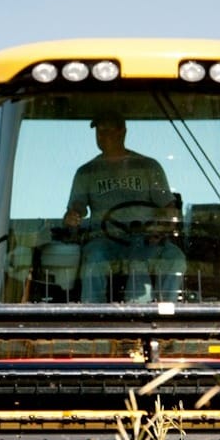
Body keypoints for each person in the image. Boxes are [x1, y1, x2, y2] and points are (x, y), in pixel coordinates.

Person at [63, 113, 186, 302]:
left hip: (145, 239)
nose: (102, 136)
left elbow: (169, 209)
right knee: (94, 260)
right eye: (99, 131)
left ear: (122, 132)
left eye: (107, 130)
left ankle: (165, 316)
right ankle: (93, 321)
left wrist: (160, 228)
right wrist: (72, 217)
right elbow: (75, 211)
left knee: (174, 258)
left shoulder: (148, 167)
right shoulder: (86, 172)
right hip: (104, 240)